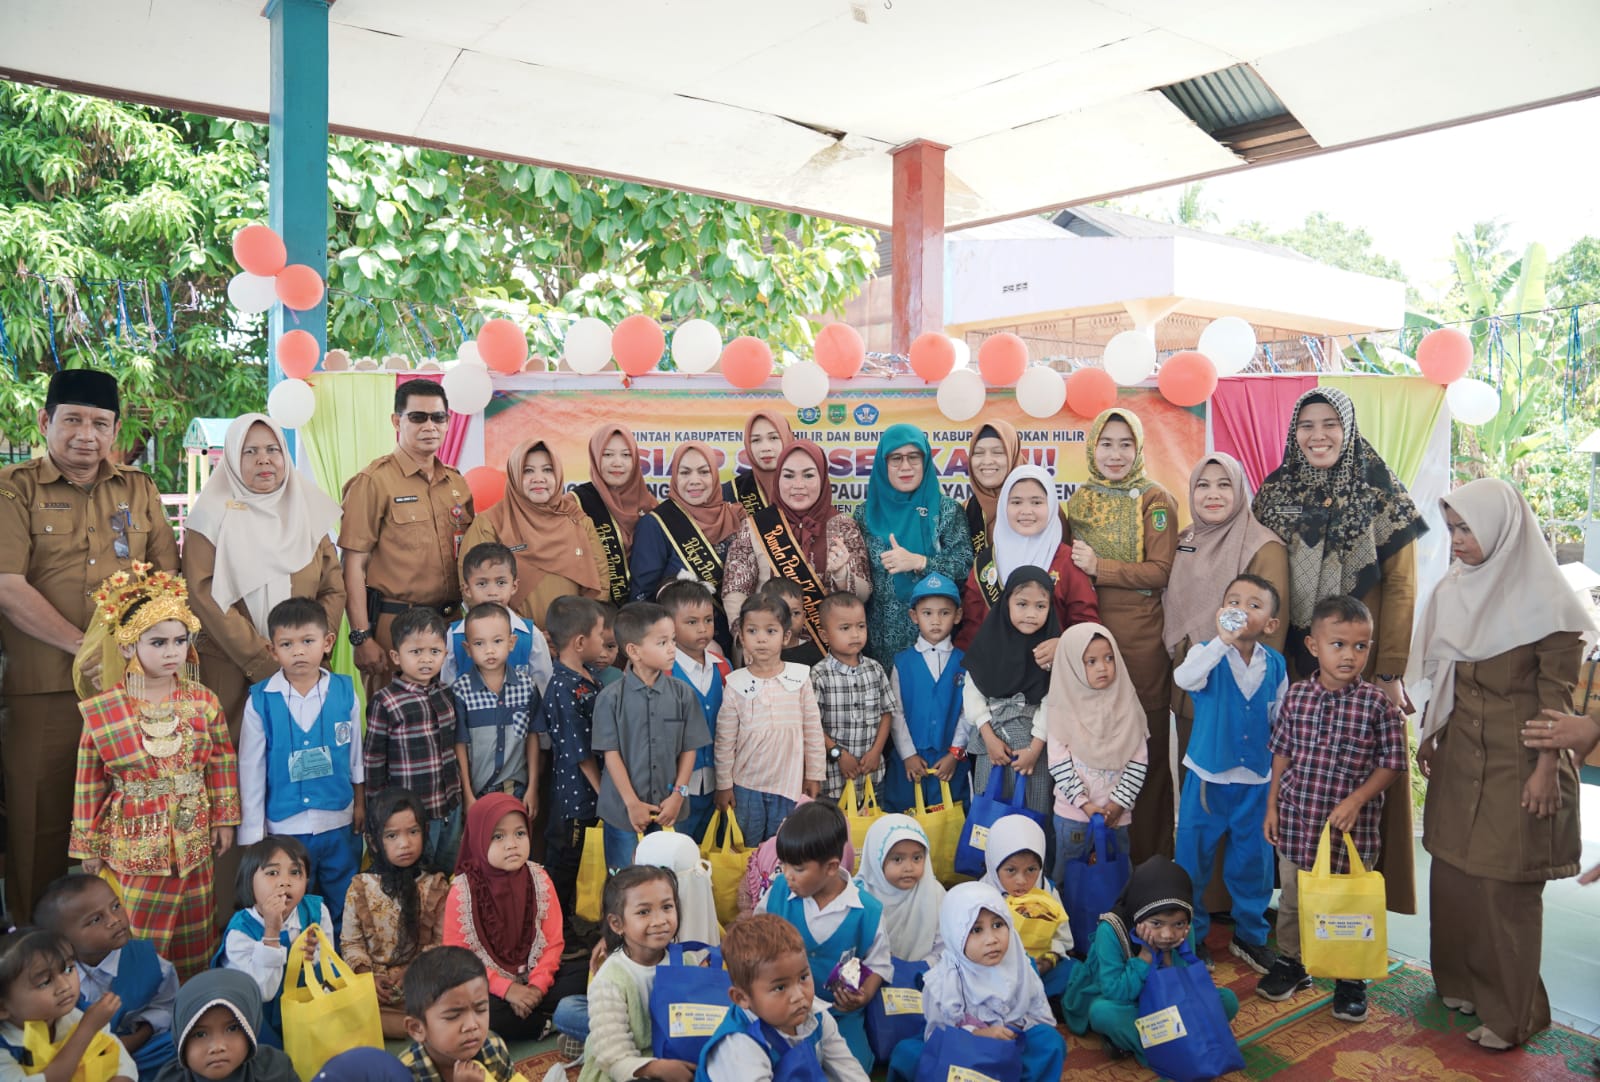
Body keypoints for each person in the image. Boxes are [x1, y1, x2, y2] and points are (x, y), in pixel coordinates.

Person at [1410, 478, 1592, 1048]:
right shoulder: (1455, 590)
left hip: (1522, 757)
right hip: (1461, 749)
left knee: (1504, 887)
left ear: (1501, 528)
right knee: (1454, 875)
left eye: (1467, 528)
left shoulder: (1548, 603)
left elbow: (1556, 704)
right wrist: (1431, 735)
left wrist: (1546, 771)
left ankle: (1514, 1014)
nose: (1457, 540)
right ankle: (1461, 982)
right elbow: (1446, 674)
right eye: (1452, 528)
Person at [0, 369, 179, 921]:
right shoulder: (14, 487)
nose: (86, 434)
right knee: (39, 823)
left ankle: (121, 942)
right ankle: (35, 954)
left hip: (129, 692)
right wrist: (87, 649)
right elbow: (7, 585)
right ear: (44, 421)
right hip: (45, 689)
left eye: (99, 423)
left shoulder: (138, 488)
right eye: (72, 420)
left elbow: (166, 581)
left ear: (115, 429)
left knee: (134, 815)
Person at [1254, 386, 1427, 912]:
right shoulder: (1275, 491)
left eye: (1330, 423)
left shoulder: (1380, 491)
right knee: (1296, 778)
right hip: (1293, 653)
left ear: (1347, 427)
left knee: (1358, 780)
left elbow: (1400, 585)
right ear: (1293, 432)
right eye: (1306, 425)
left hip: (1360, 656)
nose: (1318, 435)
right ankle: (1293, 908)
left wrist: (1390, 670)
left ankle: (1356, 913)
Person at [183, 413, 344, 916]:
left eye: (272, 450)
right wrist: (261, 659)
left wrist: (311, 649)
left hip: (301, 669)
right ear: (231, 457)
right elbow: (203, 592)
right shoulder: (211, 515)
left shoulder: (306, 509)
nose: (263, 461)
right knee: (238, 779)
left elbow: (333, 586)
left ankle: (307, 907)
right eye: (250, 452)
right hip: (234, 670)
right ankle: (239, 913)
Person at [70, 564, 239, 979]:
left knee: (197, 924)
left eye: (180, 641)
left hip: (194, 833)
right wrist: (87, 846)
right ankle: (140, 1010)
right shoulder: (105, 710)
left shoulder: (204, 701)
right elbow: (89, 780)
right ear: (128, 647)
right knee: (139, 932)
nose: (172, 652)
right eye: (158, 642)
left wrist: (225, 819)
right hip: (133, 843)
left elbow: (220, 761)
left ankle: (191, 1007)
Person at [1260, 595, 1407, 1024]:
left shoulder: (1378, 705)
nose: (1349, 655)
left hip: (1351, 835)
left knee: (1348, 907)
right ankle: (1292, 962)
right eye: (1338, 644)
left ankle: (1350, 978)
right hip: (1296, 825)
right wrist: (1271, 806)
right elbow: (1281, 754)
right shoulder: (1297, 698)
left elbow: (1393, 763)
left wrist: (1358, 799)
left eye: (1361, 646)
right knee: (1292, 900)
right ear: (1313, 646)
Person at [1163, 452, 1288, 919]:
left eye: (1224, 485)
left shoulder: (1263, 544)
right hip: (1196, 682)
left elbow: (1270, 627)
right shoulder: (1186, 539)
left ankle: (1239, 915)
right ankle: (1195, 912)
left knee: (1243, 827)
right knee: (1199, 815)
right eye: (1202, 485)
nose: (1212, 494)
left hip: (1242, 691)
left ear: (1241, 492)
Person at [1066, 408, 1179, 863]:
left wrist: (1101, 569)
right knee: (1091, 754)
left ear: (1138, 448)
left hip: (1140, 643)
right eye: (1106, 444)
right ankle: (1097, 864)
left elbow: (1162, 570)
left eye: (1125, 444)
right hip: (1088, 641)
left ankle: (1151, 863)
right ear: (1093, 448)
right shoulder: (1079, 502)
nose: (1115, 454)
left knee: (1144, 757)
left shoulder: (1155, 500)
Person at [1170, 575, 1286, 974]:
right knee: (1193, 861)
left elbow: (1280, 716)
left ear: (1270, 624)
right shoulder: (1207, 653)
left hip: (1255, 782)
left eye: (1254, 604)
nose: (1241, 608)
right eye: (1233, 600)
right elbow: (1183, 680)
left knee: (1253, 863)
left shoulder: (1276, 664)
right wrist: (1220, 641)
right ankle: (1190, 936)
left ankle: (1250, 936)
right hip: (1207, 780)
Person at [238, 596, 365, 933]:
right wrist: (254, 831)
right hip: (286, 827)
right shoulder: (261, 700)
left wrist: (360, 801)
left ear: (327, 643)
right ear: (271, 649)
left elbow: (356, 753)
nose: (298, 652)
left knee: (345, 895)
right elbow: (251, 768)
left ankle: (344, 962)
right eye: (286, 644)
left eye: (307, 641)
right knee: (292, 902)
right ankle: (299, 967)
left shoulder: (344, 690)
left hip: (339, 818)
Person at [340, 379, 474, 697]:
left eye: (438, 417)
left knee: (450, 729)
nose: (430, 426)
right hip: (394, 632)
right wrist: (361, 637)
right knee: (395, 731)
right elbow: (352, 566)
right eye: (418, 417)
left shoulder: (457, 483)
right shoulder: (372, 482)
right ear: (396, 421)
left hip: (450, 626)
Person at [1062, 856, 1238, 1065]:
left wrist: (1168, 956)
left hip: (1163, 1005)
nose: (1167, 934)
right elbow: (1115, 993)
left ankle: (1150, 1043)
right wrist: (1146, 955)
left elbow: (1184, 990)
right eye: (1156, 923)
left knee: (1227, 1000)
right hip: (1124, 1001)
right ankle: (1169, 1050)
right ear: (1138, 914)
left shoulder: (1182, 932)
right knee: (1103, 1013)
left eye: (1178, 924)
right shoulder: (1110, 930)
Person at [758, 800, 890, 1072]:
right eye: (783, 865)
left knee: (856, 1066)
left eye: (798, 868)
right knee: (775, 1063)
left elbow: (878, 963)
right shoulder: (778, 892)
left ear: (831, 867)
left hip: (839, 1014)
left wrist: (864, 995)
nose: (786, 875)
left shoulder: (867, 911)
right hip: (781, 1009)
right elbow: (756, 935)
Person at [887, 882, 1064, 1082]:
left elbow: (1040, 1016)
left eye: (998, 925)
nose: (992, 939)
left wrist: (1016, 1028)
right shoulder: (943, 980)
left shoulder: (1021, 966)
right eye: (976, 930)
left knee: (1050, 1041)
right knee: (908, 1053)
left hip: (1012, 1044)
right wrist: (979, 1034)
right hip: (966, 1052)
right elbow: (938, 1036)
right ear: (955, 934)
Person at [441, 793, 583, 1041]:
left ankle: (538, 1017)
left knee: (585, 974)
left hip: (535, 977)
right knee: (473, 1007)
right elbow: (459, 960)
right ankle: (551, 1022)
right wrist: (508, 990)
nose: (512, 844)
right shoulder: (461, 891)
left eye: (520, 833)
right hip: (491, 988)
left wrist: (537, 986)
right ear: (478, 840)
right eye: (498, 836)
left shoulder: (539, 878)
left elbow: (553, 943)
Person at [723, 438, 871, 650]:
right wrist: (745, 639)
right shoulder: (755, 526)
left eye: (809, 475)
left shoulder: (844, 526)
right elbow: (735, 589)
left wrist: (842, 575)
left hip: (830, 652)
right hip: (767, 652)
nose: (798, 485)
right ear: (777, 480)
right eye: (788, 476)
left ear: (822, 478)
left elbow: (863, 595)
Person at [593, 601, 709, 870]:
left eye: (673, 640)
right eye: (662, 642)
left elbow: (689, 749)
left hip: (671, 810)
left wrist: (679, 794)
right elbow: (611, 755)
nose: (672, 649)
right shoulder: (610, 698)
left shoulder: (682, 694)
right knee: (626, 884)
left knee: (674, 880)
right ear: (633, 651)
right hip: (624, 813)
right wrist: (632, 803)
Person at [697, 914, 869, 1082]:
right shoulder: (739, 1047)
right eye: (780, 987)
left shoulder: (817, 1016)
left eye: (803, 978)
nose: (798, 995)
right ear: (741, 998)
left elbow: (849, 1071)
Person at [459, 438, 608, 631]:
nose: (539, 478)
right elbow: (473, 584)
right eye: (527, 471)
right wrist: (527, 633)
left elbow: (600, 584)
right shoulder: (491, 523)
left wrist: (573, 636)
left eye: (547, 470)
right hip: (510, 641)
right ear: (513, 475)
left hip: (572, 644)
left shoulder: (578, 520)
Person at [35, 874, 178, 1074]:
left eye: (116, 906)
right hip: (78, 1056)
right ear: (61, 940)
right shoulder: (52, 980)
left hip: (140, 1048)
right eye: (95, 919)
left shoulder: (153, 963)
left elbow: (166, 1007)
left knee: (177, 1045)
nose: (114, 920)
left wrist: (134, 1039)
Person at [855, 426, 972, 667]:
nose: (905, 466)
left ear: (926, 460)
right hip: (878, 647)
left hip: (936, 645)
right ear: (882, 463)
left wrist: (920, 562)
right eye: (896, 458)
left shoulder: (946, 511)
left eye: (914, 457)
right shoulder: (864, 515)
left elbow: (966, 567)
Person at [714, 593, 825, 845]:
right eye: (752, 631)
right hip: (746, 787)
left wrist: (814, 775)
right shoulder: (735, 684)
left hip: (789, 786)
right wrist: (723, 785)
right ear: (741, 637)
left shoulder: (800, 678)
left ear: (785, 636)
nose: (761, 638)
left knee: (783, 850)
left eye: (771, 631)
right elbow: (724, 741)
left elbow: (813, 731)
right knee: (745, 848)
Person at [342, 788, 451, 1041]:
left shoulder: (436, 885)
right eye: (392, 835)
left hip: (421, 981)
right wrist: (367, 977)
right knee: (345, 1002)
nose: (405, 843)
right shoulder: (360, 886)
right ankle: (420, 1027)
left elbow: (441, 942)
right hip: (373, 986)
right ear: (374, 843)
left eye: (413, 832)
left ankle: (410, 1025)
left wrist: (414, 970)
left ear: (424, 831)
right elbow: (351, 943)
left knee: (450, 989)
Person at [531, 594, 609, 941]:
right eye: (600, 635)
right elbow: (579, 751)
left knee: (585, 862)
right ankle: (555, 933)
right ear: (580, 642)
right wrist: (604, 792)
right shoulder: (563, 687)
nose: (605, 642)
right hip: (575, 797)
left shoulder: (590, 676)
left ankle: (576, 923)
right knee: (565, 862)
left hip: (592, 794)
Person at [1044, 623, 1147, 882]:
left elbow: (1138, 761)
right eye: (1090, 661)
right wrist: (1084, 803)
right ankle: (1064, 922)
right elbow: (1058, 763)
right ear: (1073, 666)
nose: (1102, 667)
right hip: (1073, 815)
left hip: (1117, 815)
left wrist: (1118, 803)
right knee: (1067, 874)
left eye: (1109, 658)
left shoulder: (1127, 704)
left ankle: (1116, 921)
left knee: (1117, 873)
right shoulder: (1062, 709)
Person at [364, 606, 463, 871]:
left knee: (446, 873)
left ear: (445, 652)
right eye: (416, 652)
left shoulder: (446, 694)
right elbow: (373, 762)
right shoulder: (385, 702)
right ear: (397, 656)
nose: (426, 659)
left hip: (449, 808)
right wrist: (378, 814)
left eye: (434, 651)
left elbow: (454, 749)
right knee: (414, 877)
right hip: (411, 818)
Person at [956, 464, 1096, 650]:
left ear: (1052, 505)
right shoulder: (986, 563)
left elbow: (1087, 625)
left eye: (1036, 502)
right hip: (995, 674)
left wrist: (1063, 646)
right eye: (1016, 502)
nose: (1026, 511)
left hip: (1054, 673)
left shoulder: (1068, 562)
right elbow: (971, 630)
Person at [964, 567, 1060, 832]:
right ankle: (989, 867)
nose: (1031, 613)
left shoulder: (1050, 651)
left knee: (1032, 812)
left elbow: (1053, 701)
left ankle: (1033, 867)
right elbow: (972, 693)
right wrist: (989, 738)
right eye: (1022, 604)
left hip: (1033, 748)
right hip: (992, 744)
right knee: (989, 811)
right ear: (1006, 603)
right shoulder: (988, 642)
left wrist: (1035, 749)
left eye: (1040, 605)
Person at [217, 835, 335, 1048]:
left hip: (308, 1012)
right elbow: (263, 992)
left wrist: (313, 957)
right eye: (272, 873)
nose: (284, 881)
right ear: (249, 880)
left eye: (296, 872)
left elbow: (330, 966)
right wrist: (272, 931)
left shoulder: (317, 911)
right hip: (262, 1024)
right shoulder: (240, 932)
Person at [630, 442, 747, 656]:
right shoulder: (657, 523)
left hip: (739, 645)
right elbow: (643, 598)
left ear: (714, 475)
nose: (695, 480)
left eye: (703, 471)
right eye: (685, 472)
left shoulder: (736, 516)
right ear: (675, 477)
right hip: (682, 652)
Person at [578, 865, 692, 1082]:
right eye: (643, 912)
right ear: (617, 924)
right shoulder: (610, 980)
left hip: (675, 1057)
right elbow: (615, 1060)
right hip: (628, 1069)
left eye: (667, 907)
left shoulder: (686, 961)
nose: (660, 920)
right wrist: (658, 1068)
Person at [0, 928, 135, 1082]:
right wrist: (87, 1029)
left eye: (68, 969)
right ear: (3, 1008)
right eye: (45, 982)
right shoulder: (4, 1050)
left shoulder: (76, 1013)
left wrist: (122, 1077)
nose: (65, 986)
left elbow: (119, 1058)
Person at [884, 574, 967, 813]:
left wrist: (955, 753)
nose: (936, 621)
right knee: (905, 821)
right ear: (914, 616)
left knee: (949, 826)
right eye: (927, 613)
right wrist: (908, 754)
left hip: (949, 761)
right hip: (909, 762)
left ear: (957, 615)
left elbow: (967, 713)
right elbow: (895, 713)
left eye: (945, 612)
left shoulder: (965, 662)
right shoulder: (902, 662)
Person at [451, 604, 541, 812]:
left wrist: (533, 788)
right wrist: (467, 794)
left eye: (498, 641)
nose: (489, 650)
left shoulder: (527, 687)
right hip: (477, 791)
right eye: (479, 643)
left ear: (511, 643)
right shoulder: (460, 691)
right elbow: (460, 746)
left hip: (516, 788)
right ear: (468, 649)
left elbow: (533, 737)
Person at [661, 580, 731, 842]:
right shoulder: (663, 672)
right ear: (669, 625)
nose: (703, 629)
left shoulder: (723, 667)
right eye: (691, 622)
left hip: (717, 781)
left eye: (708, 620)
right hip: (675, 786)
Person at [810, 593, 895, 803]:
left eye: (861, 626)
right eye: (845, 628)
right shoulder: (819, 675)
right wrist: (838, 754)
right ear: (824, 635)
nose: (855, 634)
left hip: (872, 777)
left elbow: (886, 713)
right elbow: (811, 724)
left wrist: (876, 751)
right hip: (833, 782)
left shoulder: (875, 669)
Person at [399, 947, 528, 1082]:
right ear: (417, 1028)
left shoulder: (493, 1047)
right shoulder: (403, 1073)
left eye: (481, 1009)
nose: (472, 1025)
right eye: (453, 1016)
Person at [979, 816, 1073, 999]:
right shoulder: (982, 896)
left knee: (1072, 972)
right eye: (1011, 870)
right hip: (996, 970)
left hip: (1041, 966)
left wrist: (1047, 961)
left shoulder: (1047, 891)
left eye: (1031, 870)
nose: (1021, 881)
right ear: (994, 865)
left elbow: (1062, 938)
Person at [150, 968, 298, 1082]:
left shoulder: (275, 1070)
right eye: (200, 1034)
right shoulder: (170, 1079)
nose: (217, 1047)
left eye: (232, 1028)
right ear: (180, 1039)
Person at [442, 542, 553, 691]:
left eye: (501, 582)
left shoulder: (531, 635)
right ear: (467, 590)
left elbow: (544, 687)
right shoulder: (454, 636)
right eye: (482, 584)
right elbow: (447, 688)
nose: (492, 591)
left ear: (514, 586)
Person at [572, 426, 658, 608]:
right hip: (594, 614)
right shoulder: (575, 503)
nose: (617, 463)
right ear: (595, 458)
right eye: (608, 455)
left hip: (643, 616)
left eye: (626, 455)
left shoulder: (649, 503)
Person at [853, 815, 944, 965]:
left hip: (924, 976)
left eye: (917, 858)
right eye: (897, 859)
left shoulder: (934, 893)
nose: (909, 868)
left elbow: (945, 945)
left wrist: (922, 967)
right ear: (877, 860)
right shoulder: (859, 896)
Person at [723, 411, 795, 515]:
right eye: (756, 440)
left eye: (774, 438)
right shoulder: (730, 492)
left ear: (787, 439)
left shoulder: (809, 488)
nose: (765, 448)